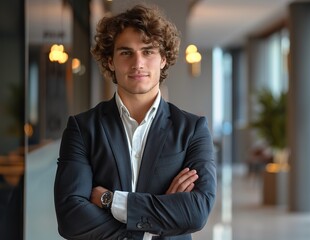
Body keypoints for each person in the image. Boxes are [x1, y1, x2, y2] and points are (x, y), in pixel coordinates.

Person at [54, 4, 216, 240]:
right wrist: (156, 222)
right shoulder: (83, 128)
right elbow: (71, 218)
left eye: (148, 51)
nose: (138, 63)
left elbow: (196, 213)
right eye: (126, 52)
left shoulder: (192, 129)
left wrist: (110, 200)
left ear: (163, 59)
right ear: (110, 61)